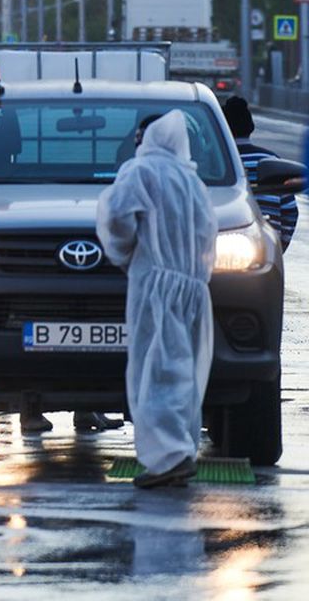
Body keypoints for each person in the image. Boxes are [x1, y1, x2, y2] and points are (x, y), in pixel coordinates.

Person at [96, 111, 217, 489]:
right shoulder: (193, 181)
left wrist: (125, 253)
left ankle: (166, 459)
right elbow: (206, 234)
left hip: (155, 283)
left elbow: (117, 218)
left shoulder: (140, 171)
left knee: (154, 372)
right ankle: (180, 450)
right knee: (183, 373)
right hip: (193, 287)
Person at [223, 96, 298, 251]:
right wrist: (277, 248)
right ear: (250, 126)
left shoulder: (215, 163)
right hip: (265, 251)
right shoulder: (272, 161)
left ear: (221, 128)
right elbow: (290, 212)